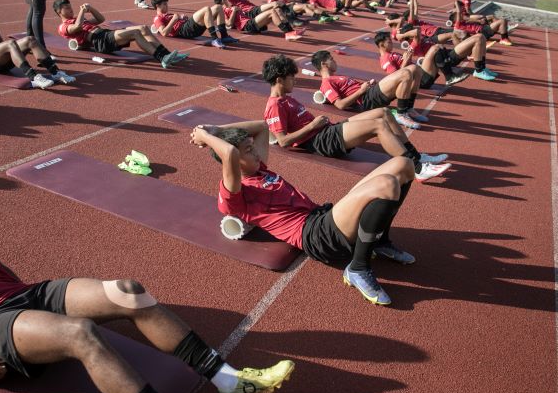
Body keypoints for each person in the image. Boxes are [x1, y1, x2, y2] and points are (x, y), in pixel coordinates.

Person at [0, 143, 294, 393]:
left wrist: (35, 303)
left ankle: (228, 382)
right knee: (81, 334)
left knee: (129, 290)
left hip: (21, 296)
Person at [191, 120, 417, 306]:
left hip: (322, 215)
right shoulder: (235, 194)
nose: (257, 152)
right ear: (233, 163)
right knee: (386, 185)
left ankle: (379, 241)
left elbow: (261, 126)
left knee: (403, 165)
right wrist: (206, 136)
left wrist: (217, 129)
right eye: (249, 151)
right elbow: (229, 152)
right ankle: (358, 268)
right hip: (315, 235)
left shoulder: (259, 169)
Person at [262, 55, 450, 182]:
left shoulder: (286, 99)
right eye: (291, 77)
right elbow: (283, 141)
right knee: (378, 125)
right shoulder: (275, 105)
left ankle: (416, 155)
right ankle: (417, 168)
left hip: (326, 130)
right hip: (321, 141)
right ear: (279, 79)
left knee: (383, 112)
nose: (294, 80)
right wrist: (312, 125)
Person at [53, 0, 186, 68]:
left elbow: (100, 19)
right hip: (99, 41)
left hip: (105, 34)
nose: (70, 9)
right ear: (59, 12)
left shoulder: (78, 18)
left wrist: (90, 8)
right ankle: (162, 59)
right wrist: (82, 12)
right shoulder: (63, 26)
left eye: (70, 6)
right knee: (135, 33)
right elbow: (76, 27)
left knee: (143, 28)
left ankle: (168, 55)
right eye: (66, 8)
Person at [311, 50, 425, 129]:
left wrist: (366, 85)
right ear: (323, 64)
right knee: (405, 73)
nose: (335, 61)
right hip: (366, 99)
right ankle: (401, 114)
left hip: (370, 92)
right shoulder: (326, 83)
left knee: (415, 69)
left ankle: (409, 108)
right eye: (331, 59)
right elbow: (340, 105)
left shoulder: (335, 77)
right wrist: (361, 90)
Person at [374, 31, 476, 86]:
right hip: (419, 81)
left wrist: (408, 60)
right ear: (382, 45)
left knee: (438, 47)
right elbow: (395, 78)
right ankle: (450, 77)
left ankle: (451, 70)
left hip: (420, 73)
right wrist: (405, 60)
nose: (392, 44)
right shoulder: (385, 59)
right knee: (435, 48)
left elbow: (417, 32)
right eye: (389, 42)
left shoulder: (391, 54)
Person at [150, 0, 237, 48]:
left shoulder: (167, 14)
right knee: (206, 9)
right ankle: (214, 39)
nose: (167, 6)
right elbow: (164, 33)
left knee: (218, 7)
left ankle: (224, 36)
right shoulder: (157, 18)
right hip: (184, 30)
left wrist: (181, 18)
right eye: (164, 4)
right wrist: (174, 19)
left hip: (188, 26)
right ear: (157, 5)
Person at [216, 0, 300, 41]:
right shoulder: (222, 11)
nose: (227, 0)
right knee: (272, 12)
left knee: (277, 9)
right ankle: (287, 33)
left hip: (251, 21)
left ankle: (291, 31)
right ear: (222, 1)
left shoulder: (231, 7)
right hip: (246, 26)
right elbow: (229, 24)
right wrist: (234, 11)